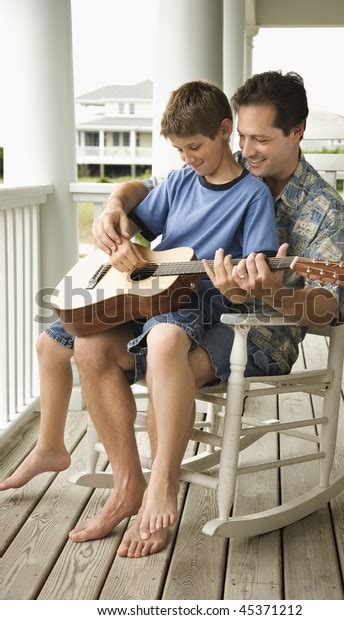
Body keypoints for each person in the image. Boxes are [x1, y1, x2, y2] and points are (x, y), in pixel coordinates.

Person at [0, 81, 279, 556]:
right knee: (63, 339)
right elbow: (138, 224)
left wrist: (243, 282)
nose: (188, 157)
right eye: (179, 149)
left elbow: (256, 268)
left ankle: (156, 482)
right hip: (142, 293)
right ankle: (99, 470)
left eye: (196, 147)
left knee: (164, 338)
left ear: (225, 131)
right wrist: (122, 240)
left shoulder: (252, 196)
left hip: (194, 300)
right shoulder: (177, 182)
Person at [85, 70, 344, 558]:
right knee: (93, 345)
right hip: (190, 307)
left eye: (262, 140)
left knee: (169, 355)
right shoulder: (210, 171)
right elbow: (144, 191)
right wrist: (112, 205)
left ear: (297, 131)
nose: (247, 151)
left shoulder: (324, 210)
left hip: (258, 331)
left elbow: (327, 310)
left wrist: (271, 292)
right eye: (243, 136)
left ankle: (162, 482)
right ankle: (128, 485)